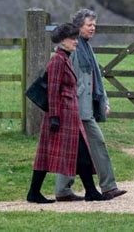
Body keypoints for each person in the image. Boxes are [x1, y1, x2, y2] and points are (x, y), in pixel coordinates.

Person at [27, 23, 105, 203]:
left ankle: (91, 191)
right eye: (73, 39)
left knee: (81, 152)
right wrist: (54, 117)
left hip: (70, 116)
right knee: (48, 153)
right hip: (61, 116)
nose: (76, 42)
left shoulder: (65, 58)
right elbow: (52, 91)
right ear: (63, 41)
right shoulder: (57, 61)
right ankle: (34, 192)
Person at [54, 9, 127, 202]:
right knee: (93, 144)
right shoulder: (73, 48)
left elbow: (96, 79)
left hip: (85, 109)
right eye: (89, 25)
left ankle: (67, 189)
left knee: (84, 146)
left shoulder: (86, 47)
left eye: (94, 25)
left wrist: (104, 101)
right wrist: (69, 106)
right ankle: (105, 187)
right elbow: (67, 79)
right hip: (76, 109)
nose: (93, 28)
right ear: (79, 26)